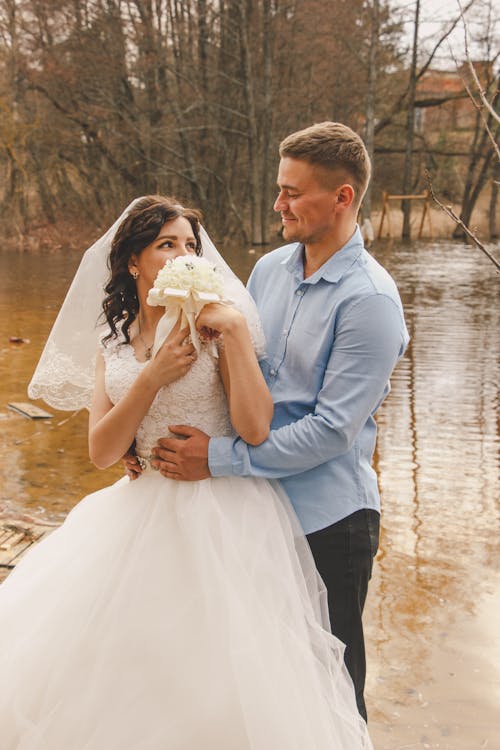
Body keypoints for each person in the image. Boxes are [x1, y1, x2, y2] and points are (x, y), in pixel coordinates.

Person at [0, 196, 372, 749]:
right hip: (137, 515)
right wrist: (150, 378)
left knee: (224, 671)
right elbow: (102, 451)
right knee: (126, 666)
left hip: (224, 516)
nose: (181, 255)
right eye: (166, 245)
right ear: (134, 261)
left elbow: (255, 428)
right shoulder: (113, 341)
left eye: (190, 246)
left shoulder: (216, 328)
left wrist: (238, 336)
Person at [140, 123, 410, 720]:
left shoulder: (370, 302)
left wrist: (215, 459)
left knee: (332, 695)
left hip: (328, 523)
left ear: (342, 198)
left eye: (292, 192)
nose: (277, 204)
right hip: (251, 516)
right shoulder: (267, 272)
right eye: (278, 188)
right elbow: (234, 379)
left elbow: (330, 432)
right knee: (259, 690)